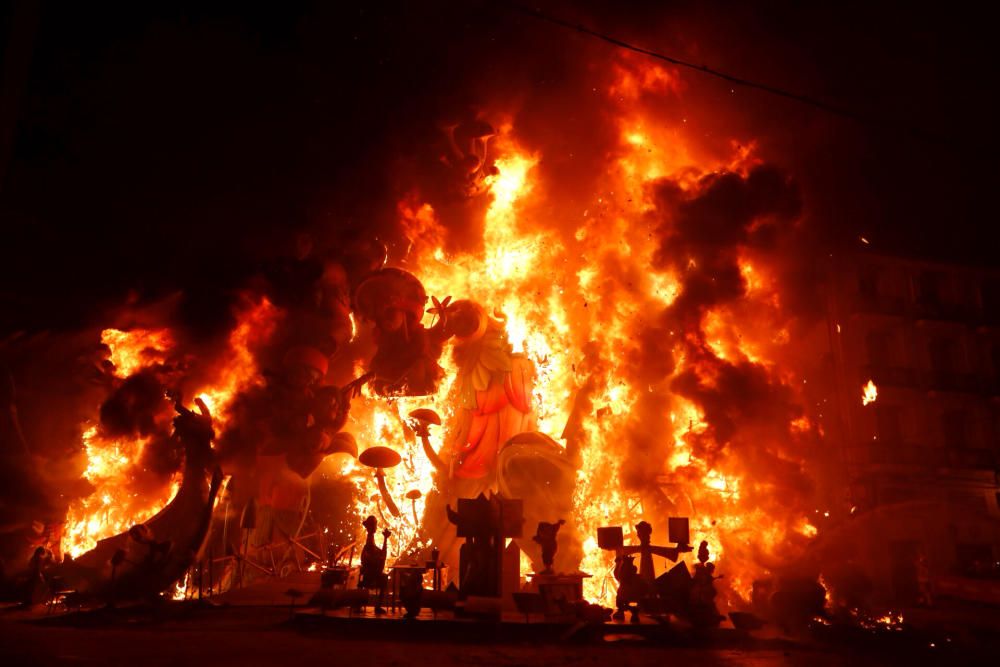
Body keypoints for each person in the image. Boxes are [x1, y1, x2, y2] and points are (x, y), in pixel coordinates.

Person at [359, 515, 391, 614]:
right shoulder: (369, 540)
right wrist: (385, 539)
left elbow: (379, 554)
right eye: (375, 524)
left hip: (369, 572)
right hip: (370, 574)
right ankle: (377, 606)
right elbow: (378, 555)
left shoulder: (370, 539)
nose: (376, 527)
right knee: (384, 578)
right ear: (371, 526)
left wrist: (385, 540)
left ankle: (370, 605)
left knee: (383, 576)